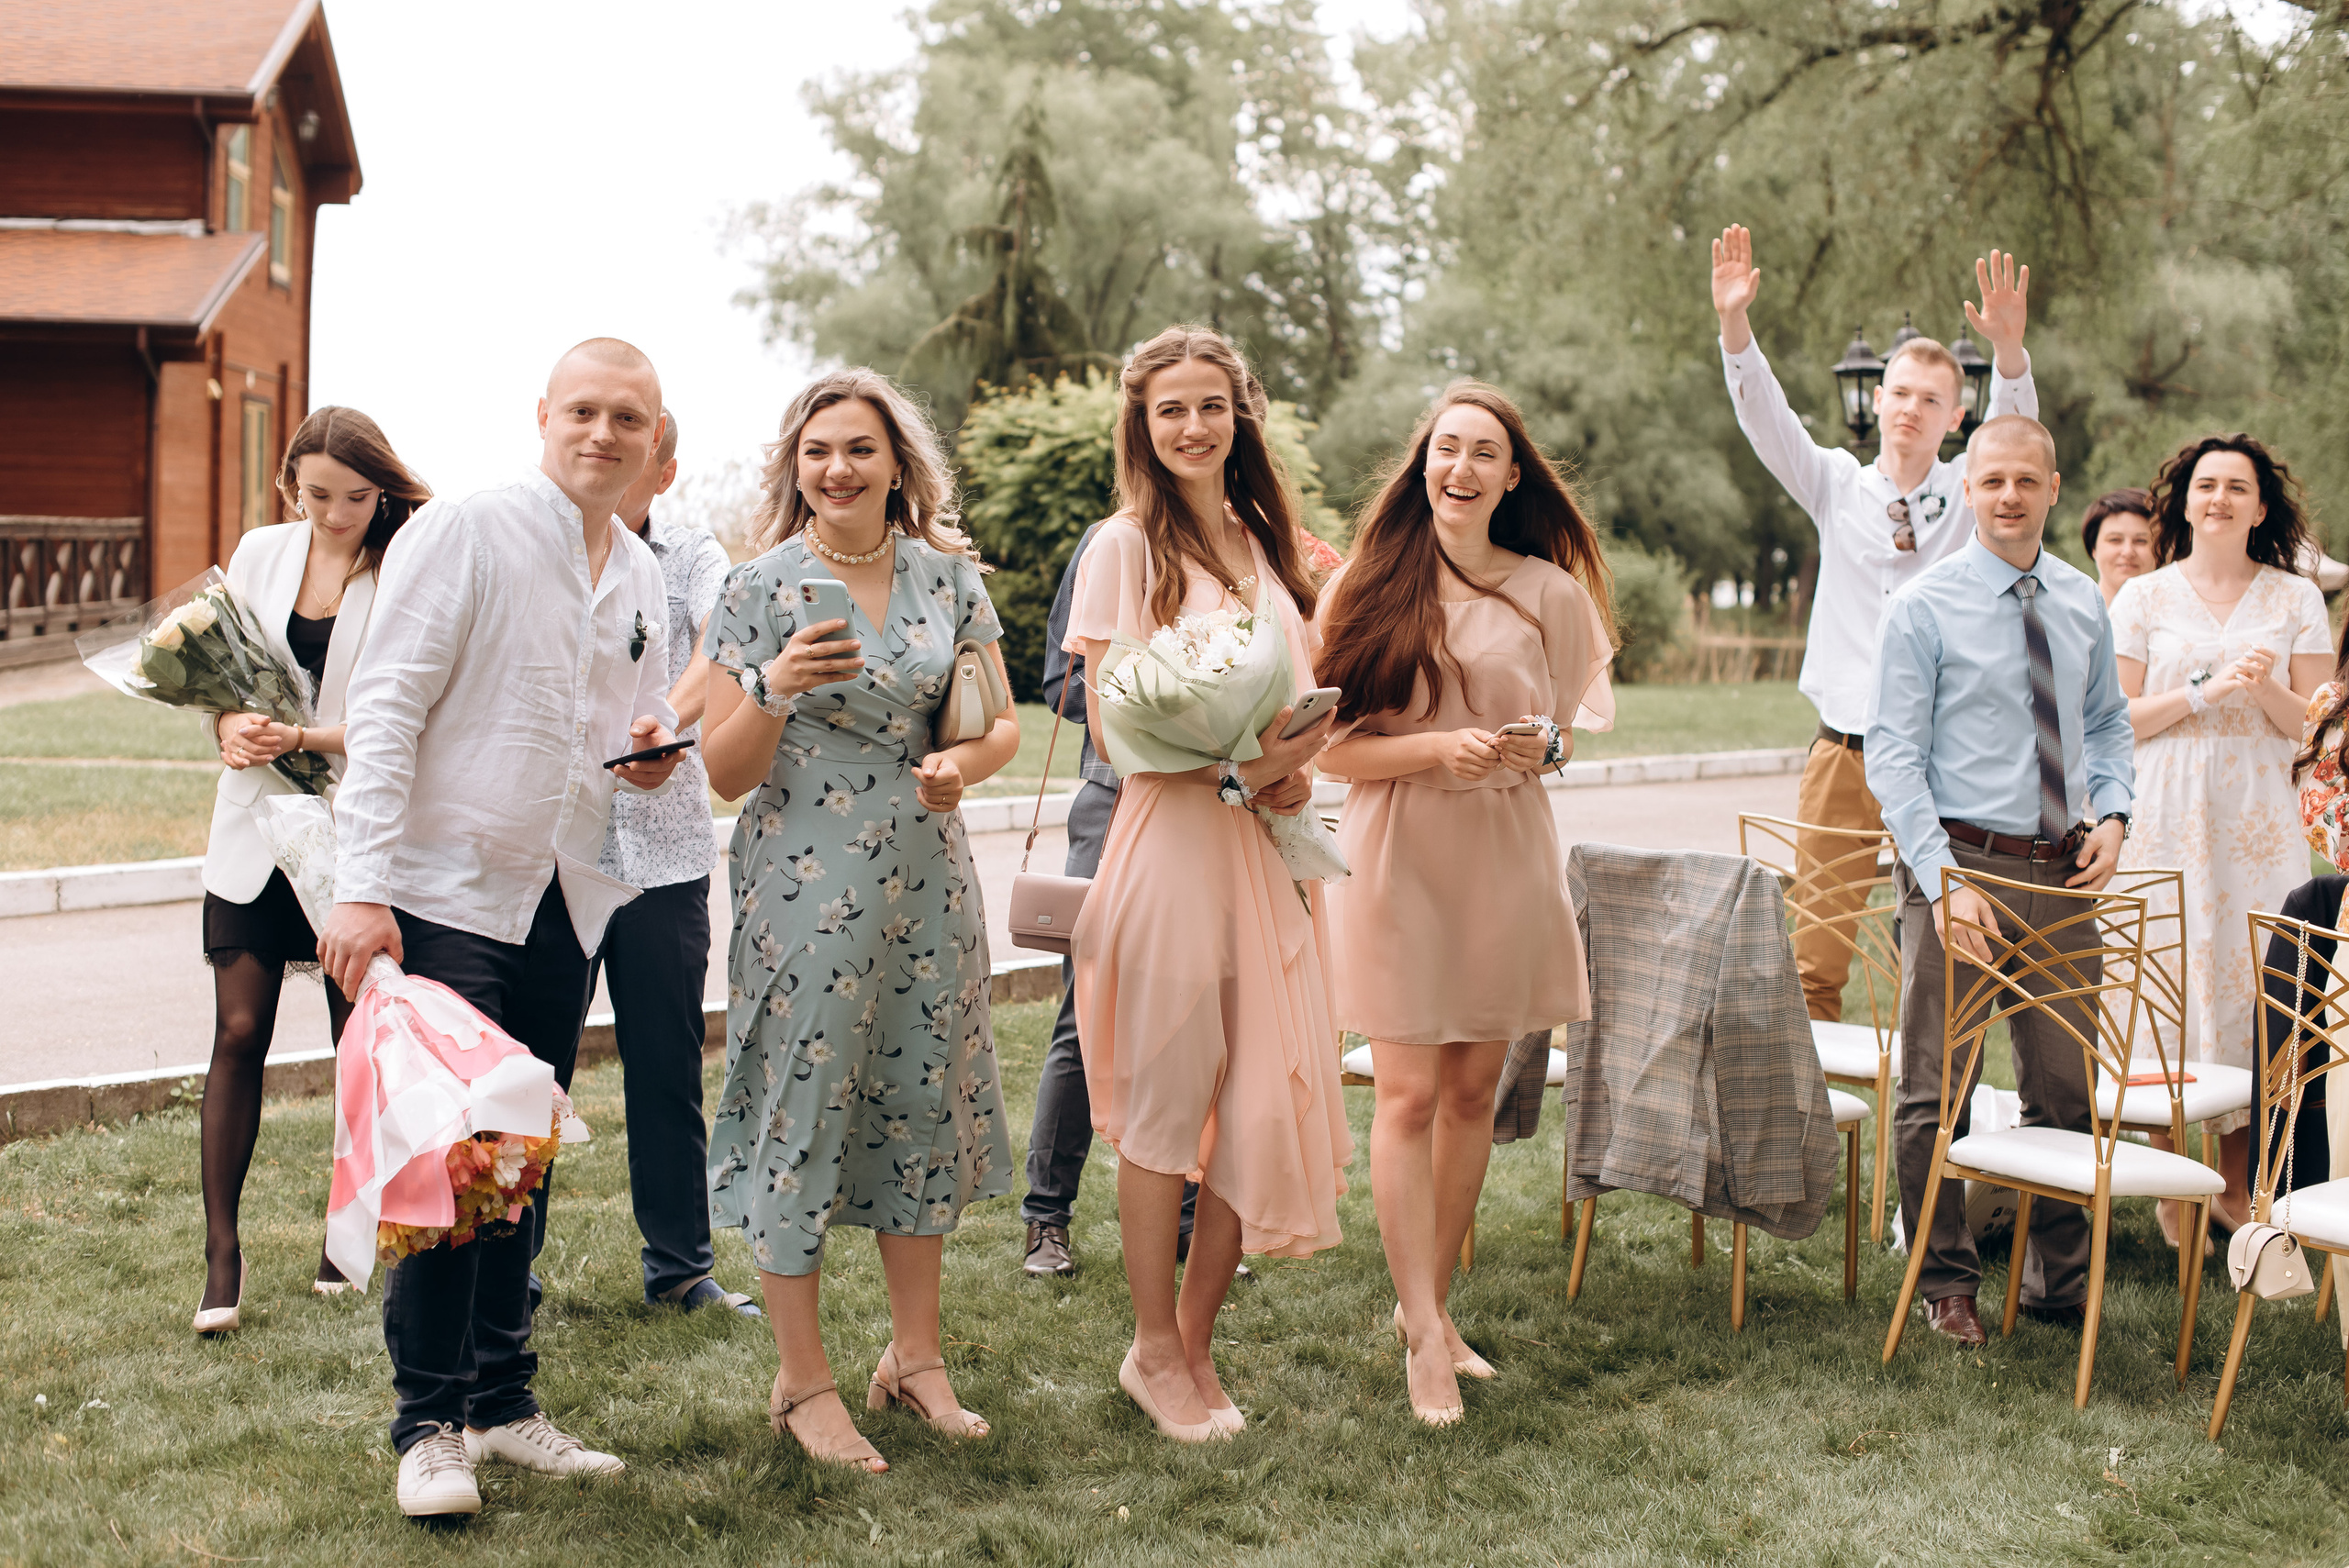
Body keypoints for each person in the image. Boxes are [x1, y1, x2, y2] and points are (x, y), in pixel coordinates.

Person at [319, 339, 687, 1518]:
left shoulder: (638, 569)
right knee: (446, 1160)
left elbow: (621, 720)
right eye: (583, 409)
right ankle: (427, 1425)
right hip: (438, 891)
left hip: (557, 900)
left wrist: (636, 764)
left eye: (627, 417)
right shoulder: (470, 529)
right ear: (543, 415)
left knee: (517, 1159)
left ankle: (502, 1399)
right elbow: (384, 705)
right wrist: (361, 886)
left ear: (652, 437)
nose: (603, 433)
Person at [700, 369, 1019, 1474]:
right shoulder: (757, 589)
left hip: (927, 875)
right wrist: (776, 683)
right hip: (802, 885)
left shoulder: (950, 580)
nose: (835, 468)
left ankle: (915, 1359)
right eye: (816, 450)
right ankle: (803, 1380)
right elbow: (723, 773)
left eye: (858, 449)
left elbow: (998, 725)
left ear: (897, 465)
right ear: (795, 467)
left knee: (919, 1095)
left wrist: (956, 764)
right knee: (806, 1101)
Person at [1065, 325, 1352, 1442]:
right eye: (1171, 408)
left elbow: (1295, 699)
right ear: (1142, 423)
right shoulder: (1123, 546)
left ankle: (1192, 1341)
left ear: (1242, 417)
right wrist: (1239, 766)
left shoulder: (1263, 538)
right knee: (1167, 1103)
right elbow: (1113, 723)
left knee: (1258, 1096)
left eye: (1213, 406)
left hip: (1264, 852)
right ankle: (1148, 1344)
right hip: (1173, 844)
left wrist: (1293, 767)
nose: (1194, 426)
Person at [1315, 381, 1616, 1425]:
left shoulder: (1553, 593)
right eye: (1447, 448)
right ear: (1422, 464)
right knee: (1402, 1095)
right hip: (1397, 852)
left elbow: (1565, 731)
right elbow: (1329, 745)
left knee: (1469, 1096)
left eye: (1485, 452)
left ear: (1512, 474)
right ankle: (1422, 1337)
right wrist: (1435, 748)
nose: (1463, 468)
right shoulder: (1367, 583)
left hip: (1504, 852)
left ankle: (1433, 1308)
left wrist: (1543, 746)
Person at [1712, 226, 2037, 1020]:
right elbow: (1767, 421)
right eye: (1899, 393)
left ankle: (1935, 1137)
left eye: (1932, 399)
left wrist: (2011, 355)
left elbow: (2015, 435)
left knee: (1947, 967)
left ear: (1955, 416)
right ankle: (1810, 1133)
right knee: (1814, 960)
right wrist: (1734, 327)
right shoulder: (1834, 484)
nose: (1910, 410)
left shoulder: (1970, 494)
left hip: (1943, 764)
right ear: (1878, 398)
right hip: (1846, 754)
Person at [1865, 413, 2135, 1348]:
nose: (2009, 496)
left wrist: (2114, 812)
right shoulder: (1922, 605)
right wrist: (1942, 880)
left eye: (2026, 480)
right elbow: (1892, 759)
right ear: (1969, 490)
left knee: (2062, 1088)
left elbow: (2104, 724)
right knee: (1935, 1085)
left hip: (2061, 872)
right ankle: (1943, 1278)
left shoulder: (2079, 599)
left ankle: (2057, 1280)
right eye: (1991, 482)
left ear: (2053, 487)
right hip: (1959, 866)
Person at [193, 406, 429, 1328]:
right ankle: (222, 1255)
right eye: (316, 493)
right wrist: (226, 727)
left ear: (384, 491)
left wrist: (303, 737)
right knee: (239, 1028)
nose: (333, 513)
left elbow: (402, 713)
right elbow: (216, 677)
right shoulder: (257, 552)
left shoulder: (406, 568)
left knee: (357, 1047)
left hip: (354, 839)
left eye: (355, 497)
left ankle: (349, 1233)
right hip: (252, 834)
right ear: (291, 482)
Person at [2110, 433, 2331, 1237]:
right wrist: (2201, 693)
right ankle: (2174, 1177)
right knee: (2167, 970)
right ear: (2185, 501)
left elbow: (2318, 726)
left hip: (2257, 815)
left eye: (2237, 487)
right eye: (2207, 485)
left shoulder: (2295, 599)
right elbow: (2115, 717)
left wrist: (2262, 681)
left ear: (2260, 507)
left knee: (2249, 978)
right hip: (2166, 805)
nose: (2220, 498)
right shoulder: (2142, 597)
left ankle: (2235, 1184)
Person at [590, 406, 760, 1318]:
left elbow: (716, 647)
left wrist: (669, 721)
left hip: (666, 852)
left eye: (637, 462)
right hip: (555, 853)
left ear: (664, 470)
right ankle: (509, 1266)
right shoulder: (540, 548)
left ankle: (682, 1267)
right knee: (528, 1066)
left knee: (665, 1061)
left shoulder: (693, 556)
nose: (617, 475)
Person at [2081, 487, 2155, 607]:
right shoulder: (2071, 618)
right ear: (2093, 547)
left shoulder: (2179, 617)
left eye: (2141, 541)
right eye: (2115, 540)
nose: (2128, 552)